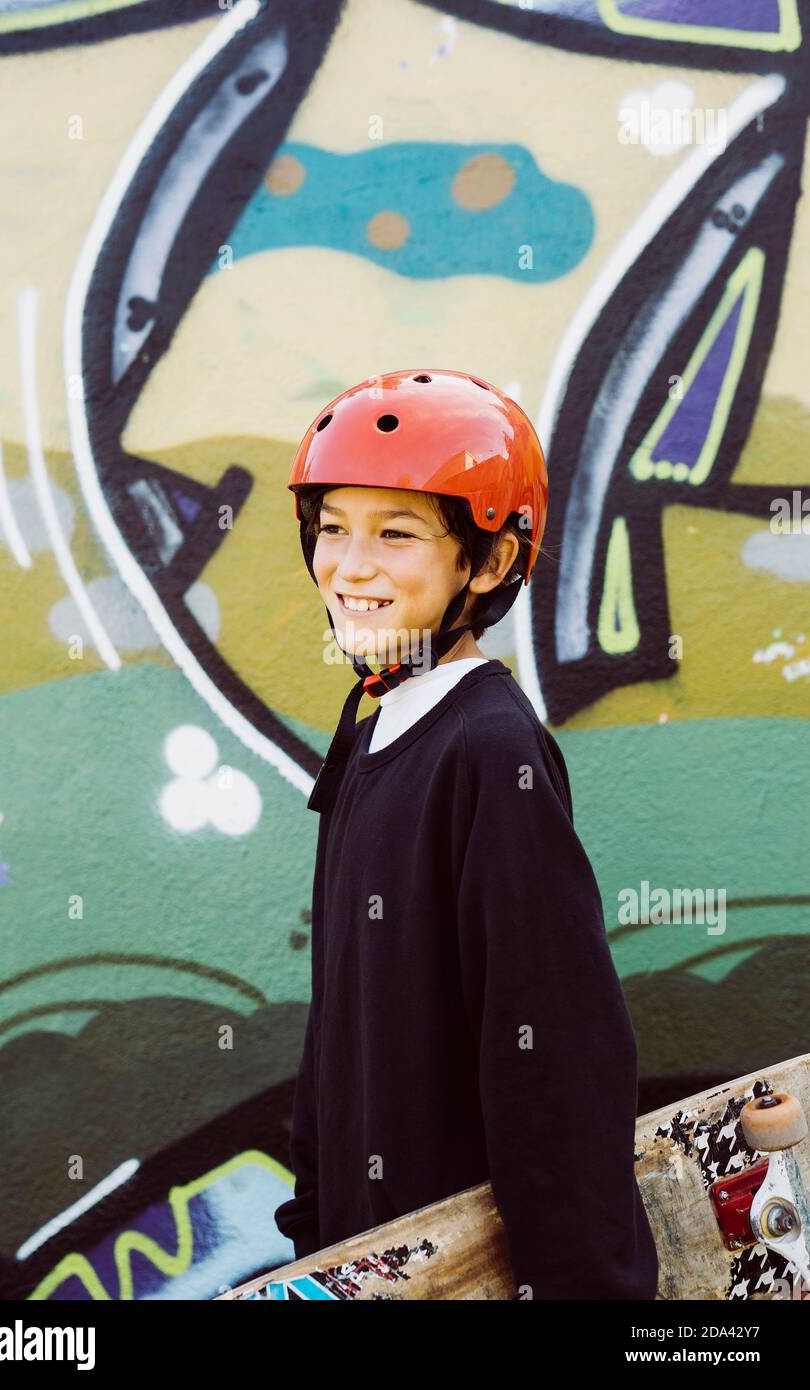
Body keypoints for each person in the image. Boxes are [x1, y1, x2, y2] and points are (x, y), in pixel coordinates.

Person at [274, 368, 659, 1299]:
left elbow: (557, 1062)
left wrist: (582, 1287)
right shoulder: (372, 731)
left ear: (487, 565)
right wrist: (319, 1242)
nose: (350, 566)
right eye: (332, 528)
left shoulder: (489, 749)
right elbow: (341, 1034)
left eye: (397, 533)